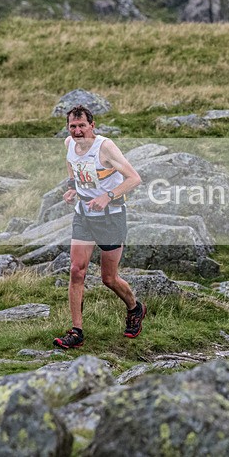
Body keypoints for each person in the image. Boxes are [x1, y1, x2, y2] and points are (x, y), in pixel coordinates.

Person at [54, 105, 144, 349]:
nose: (77, 131)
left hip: (111, 216)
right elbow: (72, 165)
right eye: (73, 126)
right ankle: (76, 332)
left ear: (92, 126)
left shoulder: (105, 147)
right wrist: (73, 187)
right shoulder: (69, 144)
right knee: (76, 270)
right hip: (83, 215)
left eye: (82, 126)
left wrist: (109, 196)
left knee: (109, 278)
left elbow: (134, 178)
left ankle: (135, 308)